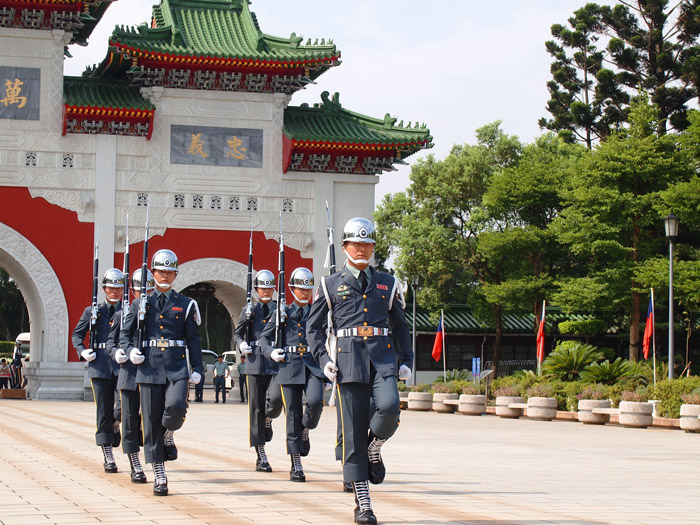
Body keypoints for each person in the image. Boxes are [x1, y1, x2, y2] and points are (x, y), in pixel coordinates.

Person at [307, 218, 413, 525]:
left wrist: (406, 359)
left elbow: (401, 326)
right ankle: (363, 502)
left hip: (382, 358)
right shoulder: (329, 284)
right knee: (351, 432)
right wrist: (322, 357)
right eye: (356, 243)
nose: (362, 248)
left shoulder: (388, 282)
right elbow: (313, 329)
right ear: (344, 247)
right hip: (348, 360)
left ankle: (374, 446)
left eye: (368, 244)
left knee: (390, 408)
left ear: (374, 248)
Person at [122, 249, 203, 496]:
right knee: (150, 421)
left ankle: (169, 433)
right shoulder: (139, 303)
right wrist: (130, 350)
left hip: (177, 367)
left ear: (175, 274)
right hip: (148, 368)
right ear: (153, 273)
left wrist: (198, 367)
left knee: (177, 406)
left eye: (170, 271)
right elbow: (125, 334)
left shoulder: (186, 304)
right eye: (161, 271)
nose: (165, 275)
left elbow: (193, 339)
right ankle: (159, 473)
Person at [260, 267, 325, 483]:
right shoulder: (281, 312)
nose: (305, 292)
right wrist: (271, 352)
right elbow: (263, 340)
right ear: (291, 288)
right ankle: (296, 462)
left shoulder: (317, 312)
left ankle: (306, 430)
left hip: (313, 365)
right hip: (289, 366)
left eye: (308, 288)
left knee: (316, 403)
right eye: (300, 288)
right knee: (292, 414)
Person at [71, 268, 125, 474]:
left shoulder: (127, 310)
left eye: (118, 288)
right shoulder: (92, 311)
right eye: (111, 288)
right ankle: (107, 454)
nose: (115, 291)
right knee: (103, 410)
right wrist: (83, 351)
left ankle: (114, 425)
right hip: (100, 364)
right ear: (103, 289)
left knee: (122, 407)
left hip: (121, 364)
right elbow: (77, 334)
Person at [108, 268, 155, 484]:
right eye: (140, 289)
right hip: (128, 373)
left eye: (149, 289)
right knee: (127, 418)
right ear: (133, 290)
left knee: (152, 418)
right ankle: (135, 463)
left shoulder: (157, 313)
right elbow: (112, 341)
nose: (144, 293)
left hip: (150, 373)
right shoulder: (122, 314)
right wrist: (119, 352)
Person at [233, 269, 281, 473]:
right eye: (263, 287)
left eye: (270, 287)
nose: (266, 291)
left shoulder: (280, 309)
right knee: (255, 409)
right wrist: (241, 344)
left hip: (275, 362)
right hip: (254, 362)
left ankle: (269, 420)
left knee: (276, 401)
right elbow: (238, 334)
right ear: (256, 289)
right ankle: (261, 453)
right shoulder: (248, 310)